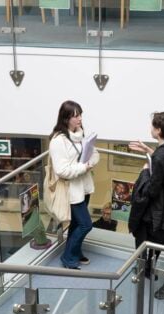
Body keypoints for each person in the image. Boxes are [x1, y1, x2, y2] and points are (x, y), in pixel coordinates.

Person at [128, 111, 164, 299]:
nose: (151, 128)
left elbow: (152, 190)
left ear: (158, 130)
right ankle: (151, 269)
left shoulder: (161, 157)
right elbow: (163, 162)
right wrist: (148, 151)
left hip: (160, 210)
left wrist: (144, 172)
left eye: (153, 126)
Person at [49, 100, 100, 270]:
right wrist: (83, 167)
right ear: (66, 118)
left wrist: (90, 162)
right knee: (86, 224)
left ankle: (75, 253)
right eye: (75, 116)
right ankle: (68, 257)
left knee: (78, 224)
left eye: (80, 115)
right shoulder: (58, 141)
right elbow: (62, 170)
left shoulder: (81, 134)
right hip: (71, 189)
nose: (79, 119)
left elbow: (94, 153)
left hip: (83, 186)